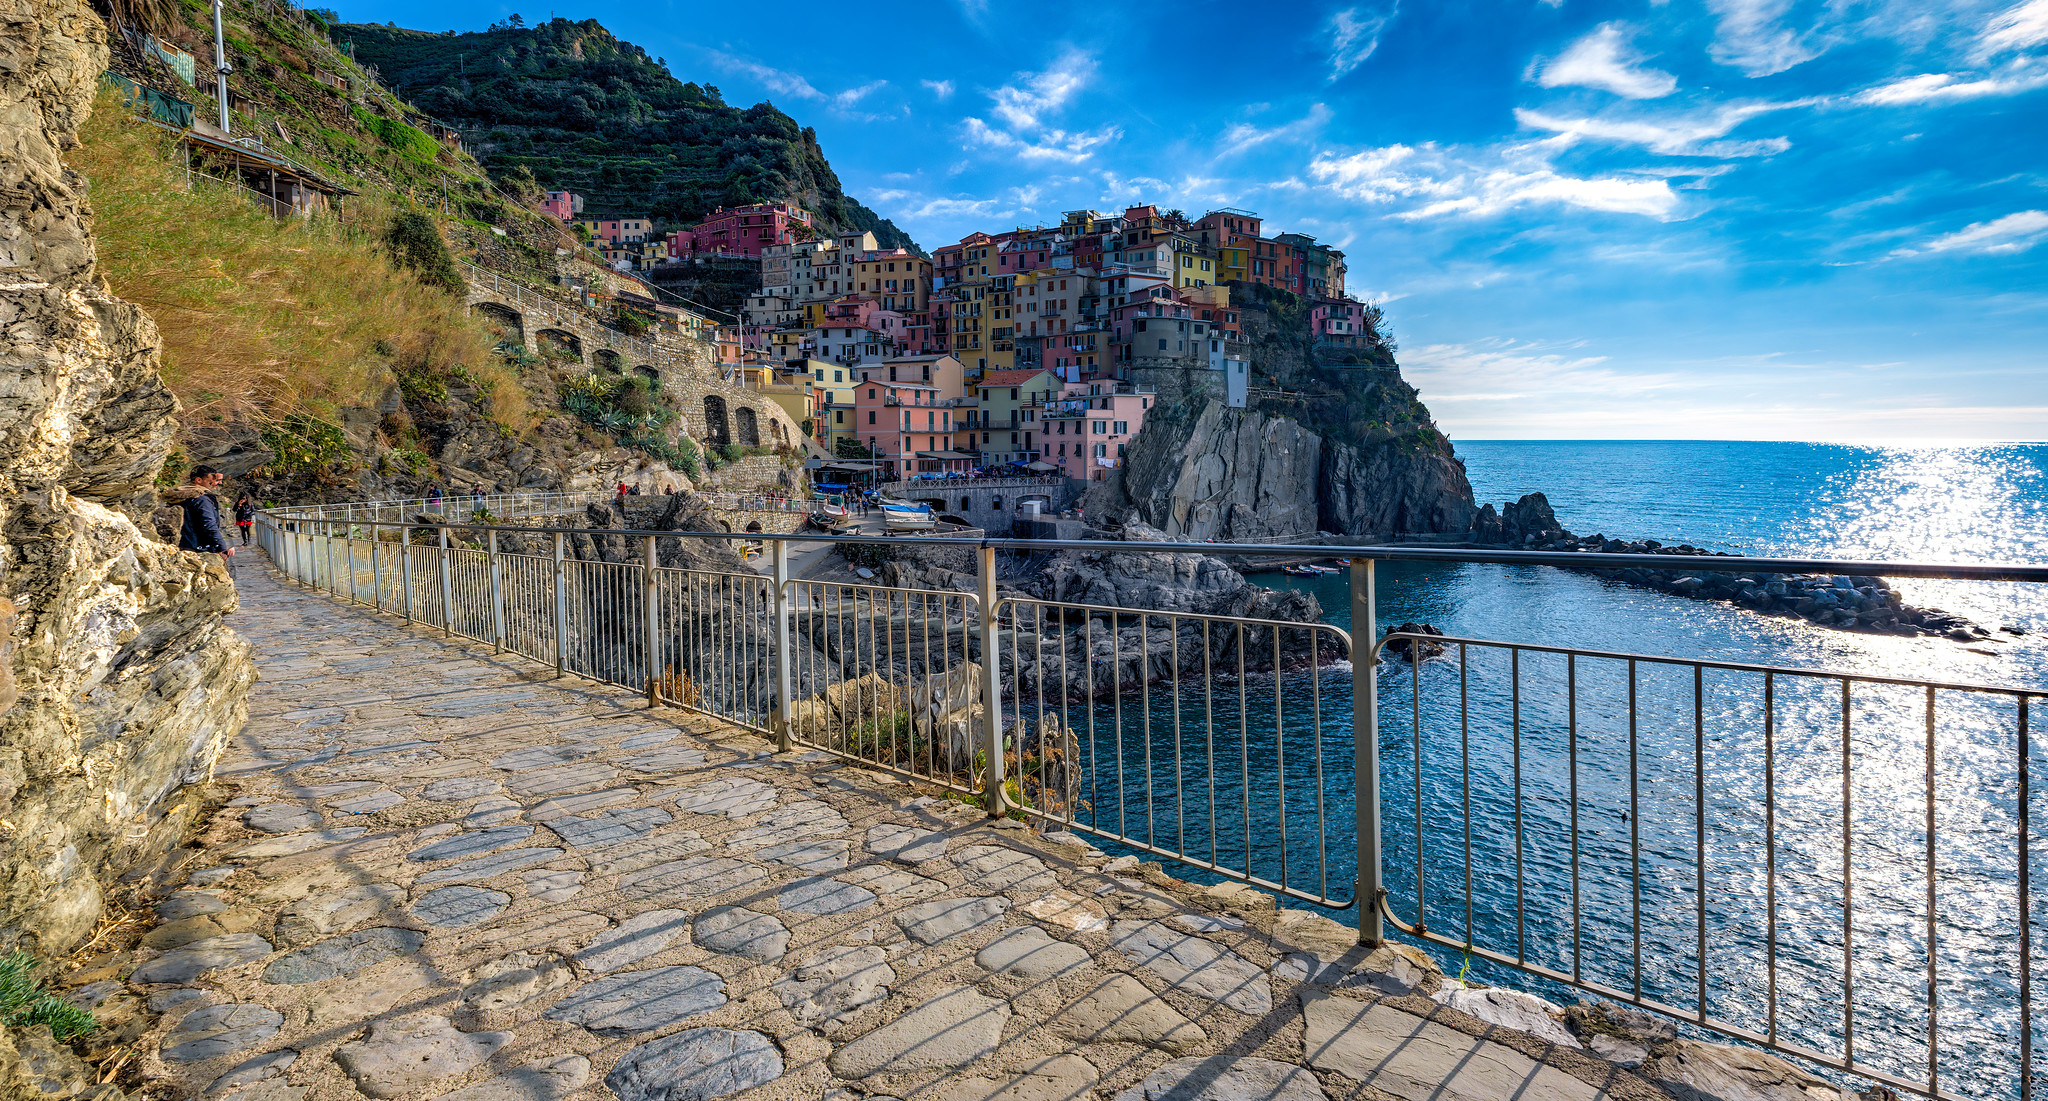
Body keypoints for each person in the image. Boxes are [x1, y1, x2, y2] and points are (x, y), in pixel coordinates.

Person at [167, 466, 234, 564]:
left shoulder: (180, 495)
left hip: (182, 545)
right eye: (211, 481)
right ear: (198, 480)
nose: (216, 484)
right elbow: (209, 524)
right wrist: (221, 547)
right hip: (198, 548)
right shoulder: (202, 499)